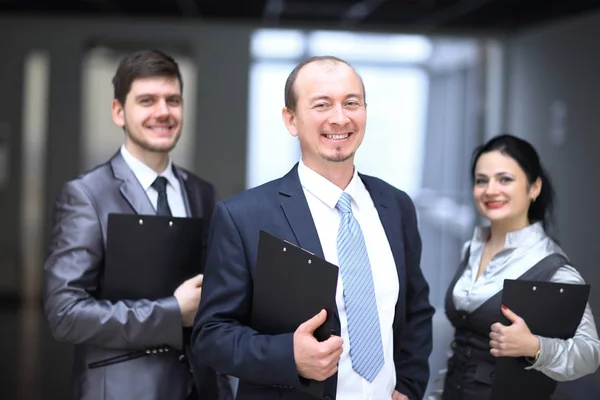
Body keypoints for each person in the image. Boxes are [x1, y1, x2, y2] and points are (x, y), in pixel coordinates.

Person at [191, 55, 435, 400]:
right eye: (322, 105)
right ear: (291, 119)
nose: (340, 117)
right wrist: (288, 356)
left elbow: (416, 311)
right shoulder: (244, 217)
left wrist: (408, 387)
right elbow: (211, 336)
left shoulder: (395, 206)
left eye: (351, 103)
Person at [43, 49, 224, 400]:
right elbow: (65, 313)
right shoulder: (86, 195)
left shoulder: (201, 192)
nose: (163, 112)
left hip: (197, 388)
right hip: (122, 390)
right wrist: (172, 312)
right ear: (118, 111)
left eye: (173, 100)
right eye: (147, 100)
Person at [442, 134, 600, 399]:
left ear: (534, 187)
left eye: (505, 179)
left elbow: (590, 353)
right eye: (482, 180)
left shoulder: (552, 267)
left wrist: (535, 346)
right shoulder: (472, 248)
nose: (490, 190)